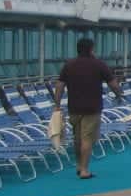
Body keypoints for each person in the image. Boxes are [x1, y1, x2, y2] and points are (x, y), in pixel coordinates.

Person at [53, 37, 126, 180]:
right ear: (92, 49)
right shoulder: (99, 64)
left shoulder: (69, 65)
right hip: (92, 108)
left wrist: (57, 104)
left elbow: (59, 86)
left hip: (74, 107)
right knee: (87, 138)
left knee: (77, 139)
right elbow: (113, 83)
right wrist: (119, 94)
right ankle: (85, 170)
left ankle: (79, 165)